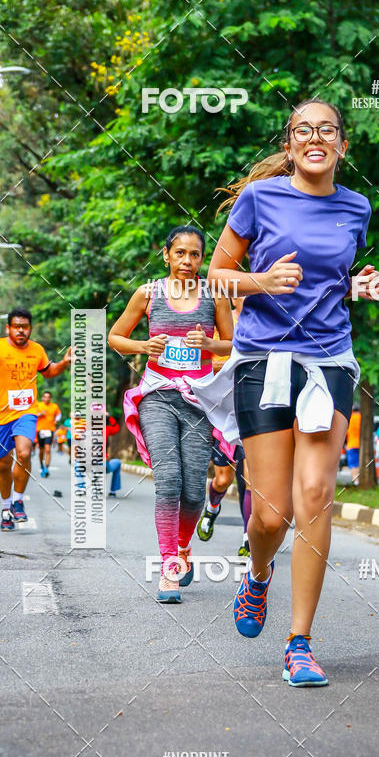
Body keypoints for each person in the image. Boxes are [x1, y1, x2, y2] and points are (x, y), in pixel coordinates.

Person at [190, 97, 379, 687]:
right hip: (264, 360)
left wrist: (360, 286)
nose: (315, 138)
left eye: (327, 129)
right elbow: (214, 274)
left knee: (316, 494)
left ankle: (299, 642)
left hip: (329, 363)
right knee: (271, 515)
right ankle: (259, 573)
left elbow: (334, 279)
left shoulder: (357, 207)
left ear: (342, 145)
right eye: (304, 130)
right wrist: (261, 280)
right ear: (291, 142)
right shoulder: (259, 199)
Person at [108, 225, 233, 603]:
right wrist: (142, 345)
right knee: (169, 480)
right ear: (166, 255)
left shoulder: (215, 294)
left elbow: (235, 342)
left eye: (195, 254)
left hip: (198, 400)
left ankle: (182, 546)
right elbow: (116, 336)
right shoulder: (148, 293)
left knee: (195, 489)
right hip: (157, 396)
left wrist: (211, 343)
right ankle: (168, 567)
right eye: (180, 253)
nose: (187, 261)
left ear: (202, 258)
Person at [0, 308, 71, 531]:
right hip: (2, 414)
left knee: (23, 451)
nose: (21, 330)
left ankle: (18, 500)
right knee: (2, 465)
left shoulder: (37, 350)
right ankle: (5, 508)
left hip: (26, 412)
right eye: (16, 326)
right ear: (8, 328)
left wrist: (65, 362)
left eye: (25, 326)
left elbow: (49, 371)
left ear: (30, 328)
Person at [197, 297, 252, 557]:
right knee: (222, 479)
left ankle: (248, 538)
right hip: (224, 410)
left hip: (253, 406)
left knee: (252, 480)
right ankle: (212, 508)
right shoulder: (221, 319)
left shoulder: (266, 319)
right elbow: (208, 359)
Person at [36, 390, 61, 477]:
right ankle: (41, 465)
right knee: (41, 450)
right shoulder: (38, 405)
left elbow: (59, 414)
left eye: (48, 397)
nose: (46, 398)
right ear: (42, 397)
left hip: (50, 430)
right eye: (45, 397)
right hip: (40, 430)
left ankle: (46, 468)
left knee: (48, 449)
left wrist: (56, 420)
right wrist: (40, 414)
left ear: (50, 398)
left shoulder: (54, 406)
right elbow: (33, 415)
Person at [105, 413, 121, 497]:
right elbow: (116, 428)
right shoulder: (106, 429)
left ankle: (81, 487)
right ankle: (112, 491)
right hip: (103, 463)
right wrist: (110, 416)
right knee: (118, 462)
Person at [345, 403, 361, 485]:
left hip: (351, 444)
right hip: (361, 445)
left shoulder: (349, 418)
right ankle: (360, 480)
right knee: (360, 463)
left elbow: (346, 432)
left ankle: (356, 481)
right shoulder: (362, 418)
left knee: (353, 464)